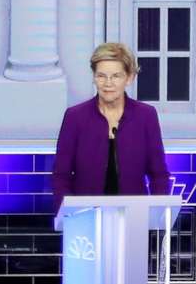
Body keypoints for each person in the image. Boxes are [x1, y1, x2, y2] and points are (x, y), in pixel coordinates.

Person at [51, 42, 172, 201]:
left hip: (134, 217)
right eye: (101, 76)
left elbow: (159, 175)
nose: (108, 83)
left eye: (116, 76)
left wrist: (156, 213)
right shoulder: (75, 117)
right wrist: (69, 215)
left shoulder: (145, 116)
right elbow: (61, 176)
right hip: (86, 217)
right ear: (94, 77)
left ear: (129, 78)